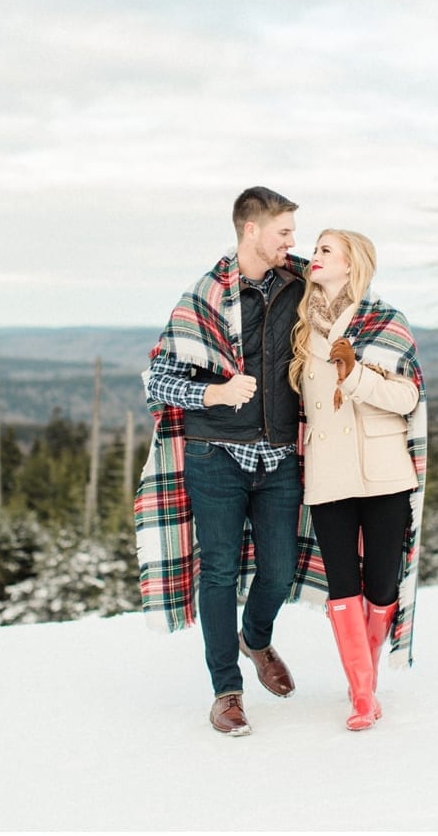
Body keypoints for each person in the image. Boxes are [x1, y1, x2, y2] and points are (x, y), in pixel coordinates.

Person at [135, 186, 326, 737]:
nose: (293, 241)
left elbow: (349, 306)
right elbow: (159, 378)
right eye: (284, 231)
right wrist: (214, 394)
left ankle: (256, 637)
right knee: (217, 570)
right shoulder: (203, 297)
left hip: (280, 454)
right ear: (250, 231)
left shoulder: (300, 285)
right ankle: (226, 691)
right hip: (215, 455)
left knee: (280, 565)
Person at [288, 228, 428, 731]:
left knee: (382, 583)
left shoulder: (386, 319)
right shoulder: (302, 329)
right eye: (316, 250)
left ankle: (362, 679)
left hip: (384, 471)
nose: (316, 256)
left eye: (326, 250)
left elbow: (407, 399)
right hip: (327, 474)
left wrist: (356, 375)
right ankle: (363, 694)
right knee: (342, 584)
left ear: (352, 264)